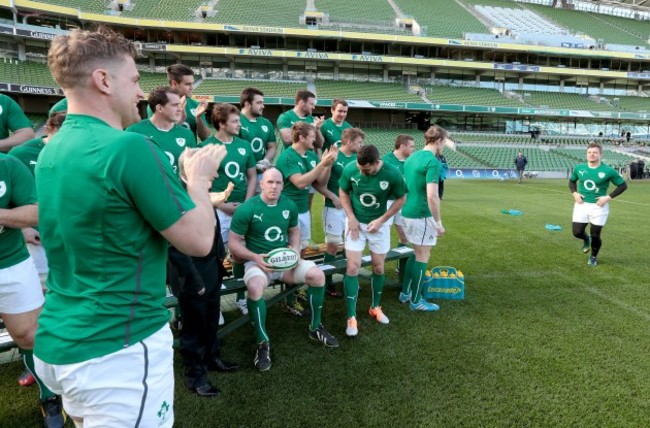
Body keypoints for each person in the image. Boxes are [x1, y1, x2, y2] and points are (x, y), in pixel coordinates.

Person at [33, 27, 225, 426]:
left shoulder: (52, 148)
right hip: (118, 345)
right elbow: (199, 240)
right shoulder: (128, 147)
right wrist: (200, 180)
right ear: (103, 80)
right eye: (135, 80)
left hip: (61, 337)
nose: (140, 92)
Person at [229, 168, 339, 371]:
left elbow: (294, 231)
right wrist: (254, 257)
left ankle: (315, 327)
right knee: (254, 288)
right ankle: (262, 342)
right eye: (270, 182)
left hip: (285, 262)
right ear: (261, 184)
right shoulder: (248, 208)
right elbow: (233, 243)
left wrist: (295, 251)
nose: (274, 186)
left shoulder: (288, 204)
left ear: (282, 185)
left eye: (278, 183)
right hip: (259, 263)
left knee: (317, 275)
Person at [0, 153, 66, 427]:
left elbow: (35, 211)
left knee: (29, 335)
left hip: (10, 261)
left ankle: (48, 395)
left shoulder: (8, 164)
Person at [9, 111, 65, 389]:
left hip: (69, 239)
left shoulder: (72, 153)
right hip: (36, 244)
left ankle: (60, 360)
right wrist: (22, 230)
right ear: (50, 130)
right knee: (36, 309)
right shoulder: (21, 154)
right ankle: (34, 364)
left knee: (63, 301)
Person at [339, 144, 407, 337]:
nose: (362, 172)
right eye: (360, 169)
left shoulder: (392, 173)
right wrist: (350, 217)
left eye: (366, 169)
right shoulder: (351, 168)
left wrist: (381, 220)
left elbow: (401, 198)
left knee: (378, 267)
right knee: (352, 267)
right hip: (355, 225)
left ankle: (375, 307)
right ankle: (351, 316)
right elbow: (343, 192)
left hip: (379, 225)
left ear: (376, 163)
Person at [200, 103, 256, 316]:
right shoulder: (207, 147)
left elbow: (251, 176)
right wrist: (222, 205)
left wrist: (247, 204)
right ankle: (216, 303)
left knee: (242, 254)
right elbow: (200, 183)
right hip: (217, 211)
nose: (239, 125)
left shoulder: (244, 145)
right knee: (215, 257)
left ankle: (242, 299)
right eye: (234, 121)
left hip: (243, 208)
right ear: (221, 124)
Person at [276, 122, 337, 316]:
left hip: (303, 212)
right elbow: (301, 183)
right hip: (286, 213)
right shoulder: (287, 156)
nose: (315, 140)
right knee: (288, 254)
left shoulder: (311, 155)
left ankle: (295, 290)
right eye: (312, 136)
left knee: (300, 253)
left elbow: (320, 183)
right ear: (301, 137)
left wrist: (327, 165)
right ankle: (288, 299)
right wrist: (322, 164)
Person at [399, 125, 449, 312]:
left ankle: (406, 293)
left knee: (415, 252)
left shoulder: (411, 158)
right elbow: (432, 196)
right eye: (444, 142)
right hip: (421, 214)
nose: (443, 145)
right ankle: (416, 300)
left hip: (407, 212)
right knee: (423, 256)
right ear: (438, 141)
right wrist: (438, 223)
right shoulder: (433, 162)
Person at [321, 127, 364, 298]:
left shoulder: (357, 159)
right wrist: (333, 197)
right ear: (349, 141)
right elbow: (320, 183)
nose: (361, 146)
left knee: (351, 244)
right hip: (333, 207)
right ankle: (327, 282)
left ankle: (350, 278)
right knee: (332, 245)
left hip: (352, 209)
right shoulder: (334, 155)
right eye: (359, 142)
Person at [569, 142, 627, 267]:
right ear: (586, 154)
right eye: (589, 152)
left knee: (595, 235)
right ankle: (586, 239)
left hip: (599, 207)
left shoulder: (608, 170)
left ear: (600, 154)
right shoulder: (579, 168)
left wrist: (608, 197)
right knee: (577, 232)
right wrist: (574, 193)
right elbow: (572, 181)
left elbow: (623, 185)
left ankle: (593, 257)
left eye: (595, 152)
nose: (592, 155)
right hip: (581, 204)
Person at [127, 86, 196, 176]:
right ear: (159, 108)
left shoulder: (187, 135)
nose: (180, 109)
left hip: (177, 189)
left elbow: (192, 171)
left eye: (180, 104)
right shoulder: (135, 131)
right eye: (175, 105)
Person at [148, 64, 211, 141]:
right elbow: (156, 135)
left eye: (192, 84)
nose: (192, 88)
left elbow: (205, 137)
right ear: (174, 84)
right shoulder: (158, 105)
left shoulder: (196, 105)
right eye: (188, 84)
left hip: (190, 152)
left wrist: (198, 118)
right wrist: (179, 120)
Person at [239, 87, 277, 187]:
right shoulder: (235, 121)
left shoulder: (266, 123)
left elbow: (272, 147)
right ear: (247, 104)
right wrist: (253, 166)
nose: (263, 106)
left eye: (262, 102)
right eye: (259, 103)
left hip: (261, 175)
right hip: (240, 175)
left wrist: (266, 161)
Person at [382, 134, 415, 246]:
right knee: (383, 237)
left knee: (405, 237)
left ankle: (402, 264)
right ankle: (380, 262)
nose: (413, 149)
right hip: (387, 203)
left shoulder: (410, 162)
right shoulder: (385, 161)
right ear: (402, 146)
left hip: (403, 202)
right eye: (411, 146)